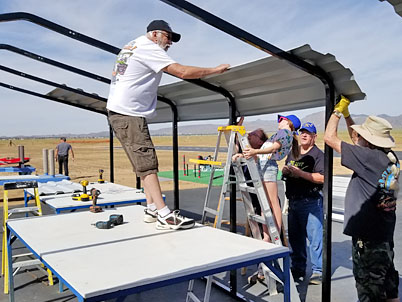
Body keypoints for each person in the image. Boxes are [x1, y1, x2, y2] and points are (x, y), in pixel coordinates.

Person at [106, 20, 229, 230]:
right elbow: (181, 71)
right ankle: (165, 215)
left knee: (143, 163)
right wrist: (214, 70)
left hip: (124, 112)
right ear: (154, 34)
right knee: (147, 163)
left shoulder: (132, 45)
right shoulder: (148, 48)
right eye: (167, 37)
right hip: (129, 113)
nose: (170, 42)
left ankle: (152, 208)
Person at [324, 95, 401, 302]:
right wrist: (349, 117)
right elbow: (356, 140)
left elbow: (330, 138)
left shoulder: (368, 158)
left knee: (372, 293)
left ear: (369, 141)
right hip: (383, 234)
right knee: (389, 285)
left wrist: (338, 111)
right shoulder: (389, 157)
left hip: (368, 238)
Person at [243, 114, 301, 243]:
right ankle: (267, 235)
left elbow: (274, 148)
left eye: (281, 120)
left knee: (272, 202)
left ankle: (276, 233)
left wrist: (254, 151)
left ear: (288, 122)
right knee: (266, 203)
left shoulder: (285, 132)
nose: (279, 122)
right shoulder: (285, 133)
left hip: (268, 168)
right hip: (264, 166)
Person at [282, 122, 324, 285]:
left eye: (308, 133)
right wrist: (286, 171)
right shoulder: (294, 152)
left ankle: (317, 271)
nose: (304, 135)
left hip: (310, 201)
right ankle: (298, 268)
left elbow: (322, 177)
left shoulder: (318, 155)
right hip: (293, 201)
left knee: (315, 239)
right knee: (295, 238)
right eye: (302, 132)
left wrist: (300, 173)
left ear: (314, 137)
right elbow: (287, 167)